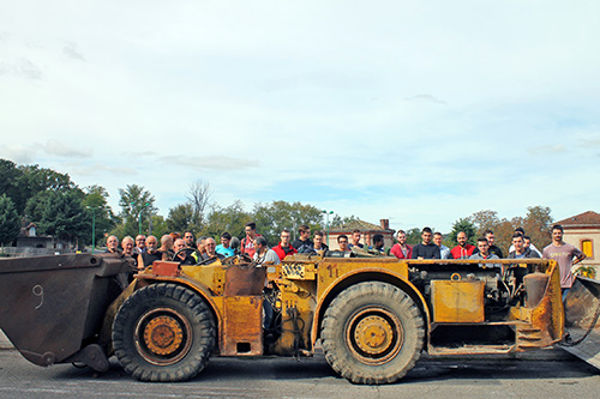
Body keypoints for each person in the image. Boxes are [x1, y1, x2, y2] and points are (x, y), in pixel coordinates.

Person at [542, 224, 586, 301]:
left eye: (559, 233)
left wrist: (572, 263)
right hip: (553, 284)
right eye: (555, 233)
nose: (557, 235)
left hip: (567, 283)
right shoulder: (547, 250)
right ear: (552, 235)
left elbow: (582, 256)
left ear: (562, 234)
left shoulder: (570, 248)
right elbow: (544, 265)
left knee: (565, 307)